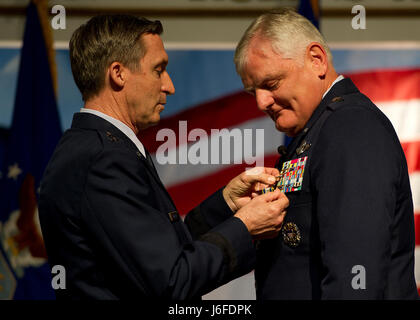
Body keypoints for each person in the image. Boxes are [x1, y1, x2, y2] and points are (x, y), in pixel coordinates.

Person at [38, 14, 289, 300]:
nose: (168, 85)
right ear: (118, 73)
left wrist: (225, 204)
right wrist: (245, 227)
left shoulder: (95, 147)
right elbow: (171, 279)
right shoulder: (103, 159)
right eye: (159, 70)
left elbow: (153, 253)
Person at [234, 8, 418, 299]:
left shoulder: (351, 127)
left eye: (271, 84)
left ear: (316, 59)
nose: (260, 102)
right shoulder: (319, 130)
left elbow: (356, 280)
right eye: (252, 91)